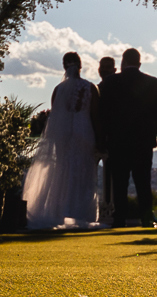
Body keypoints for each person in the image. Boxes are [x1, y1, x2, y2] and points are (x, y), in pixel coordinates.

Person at [23, 52, 104, 229]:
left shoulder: (58, 90)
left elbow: (56, 117)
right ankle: (81, 213)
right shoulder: (90, 88)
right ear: (80, 66)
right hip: (84, 130)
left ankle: (62, 209)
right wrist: (100, 139)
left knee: (63, 170)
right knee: (83, 171)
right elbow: (95, 115)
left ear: (64, 67)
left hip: (64, 134)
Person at [99, 47, 157, 228]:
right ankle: (147, 218)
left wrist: (107, 135)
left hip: (118, 140)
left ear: (123, 62)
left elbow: (103, 112)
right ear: (139, 63)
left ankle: (119, 218)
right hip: (143, 140)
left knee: (120, 183)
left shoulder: (111, 82)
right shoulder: (152, 82)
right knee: (143, 182)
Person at [97, 55, 118, 224]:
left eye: (107, 67)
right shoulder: (95, 89)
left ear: (114, 70)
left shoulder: (121, 88)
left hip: (117, 138)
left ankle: (114, 212)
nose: (104, 70)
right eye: (102, 67)